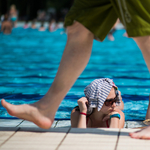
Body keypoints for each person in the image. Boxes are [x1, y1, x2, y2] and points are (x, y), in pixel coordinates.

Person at [1, 0, 150, 139]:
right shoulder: (81, 112)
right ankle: (46, 108)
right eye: (109, 101)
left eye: (114, 100)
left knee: (143, 29)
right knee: (79, 26)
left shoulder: (114, 113)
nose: (114, 104)